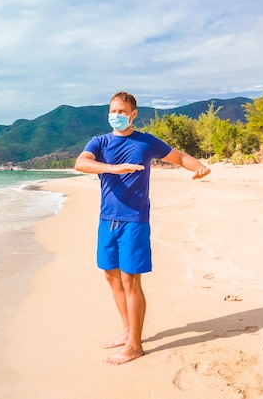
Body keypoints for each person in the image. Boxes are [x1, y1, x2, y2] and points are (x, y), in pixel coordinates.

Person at [74, 91, 210, 365]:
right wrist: (114, 169)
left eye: (122, 112)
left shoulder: (145, 142)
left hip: (135, 220)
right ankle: (127, 332)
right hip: (106, 220)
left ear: (133, 114)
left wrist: (197, 166)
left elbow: (178, 156)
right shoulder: (99, 142)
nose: (116, 116)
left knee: (130, 280)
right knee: (111, 277)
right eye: (113, 111)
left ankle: (135, 346)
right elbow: (81, 163)